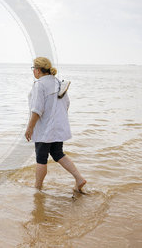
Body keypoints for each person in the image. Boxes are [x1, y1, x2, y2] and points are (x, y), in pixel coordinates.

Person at [25, 57, 86, 192]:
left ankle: (37, 188)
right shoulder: (58, 82)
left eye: (33, 69)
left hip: (45, 128)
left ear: (38, 70)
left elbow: (36, 109)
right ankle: (79, 178)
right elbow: (67, 104)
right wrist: (57, 119)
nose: (33, 71)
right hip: (58, 127)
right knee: (58, 153)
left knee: (41, 158)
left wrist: (30, 128)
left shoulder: (39, 84)